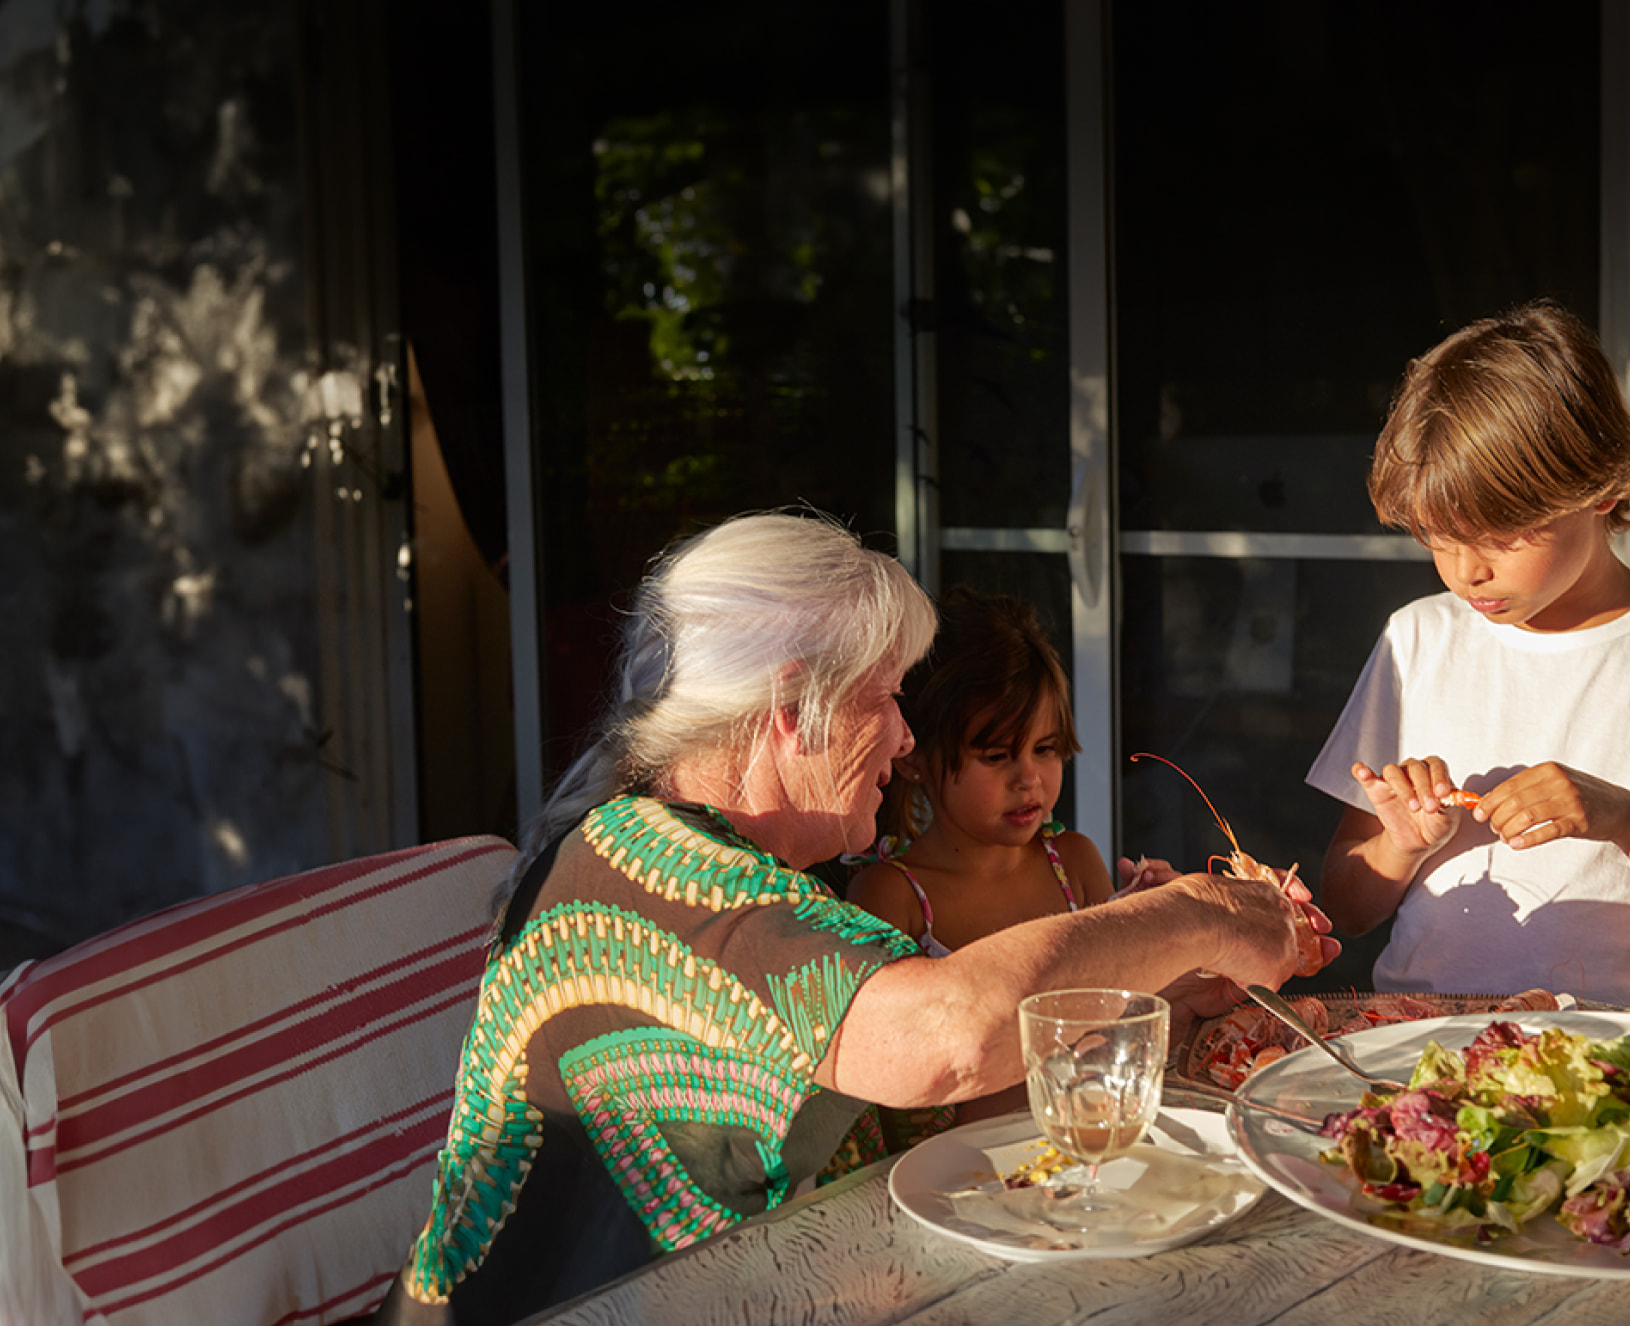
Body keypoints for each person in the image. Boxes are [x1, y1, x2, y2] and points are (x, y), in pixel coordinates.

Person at [376, 510, 1336, 1325]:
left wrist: (1163, 984)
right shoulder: (666, 875)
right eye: (885, 698)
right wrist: (1202, 911)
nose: (907, 737)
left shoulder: (707, 863)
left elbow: (948, 1098)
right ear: (795, 706)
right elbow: (944, 1037)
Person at [1308, 299, 1630, 1004]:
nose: (1464, 571)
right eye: (1435, 537)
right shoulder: (1419, 639)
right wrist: (1401, 845)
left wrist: (1618, 816)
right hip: (1418, 1041)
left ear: (1605, 485)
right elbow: (1346, 910)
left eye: (1498, 534)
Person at [846, 588, 1112, 1123]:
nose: (1029, 779)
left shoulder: (1076, 865)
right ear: (915, 758)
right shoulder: (892, 897)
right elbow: (894, 1091)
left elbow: (1122, 1015)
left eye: (1046, 749)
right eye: (997, 756)